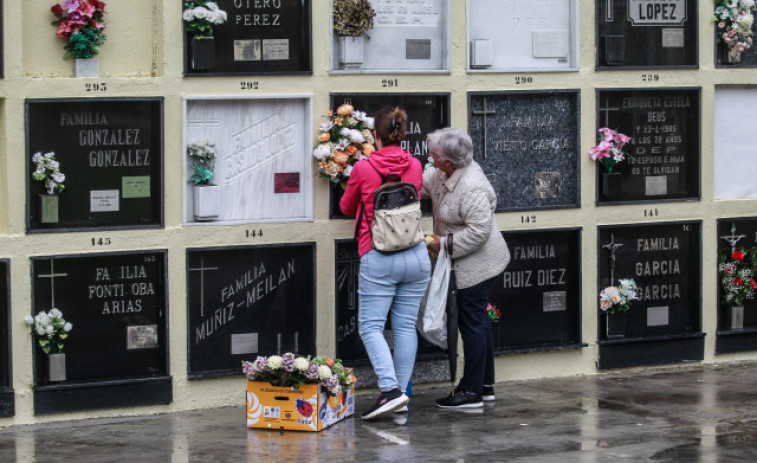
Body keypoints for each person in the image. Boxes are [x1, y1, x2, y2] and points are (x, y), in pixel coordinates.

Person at [340, 106, 431, 420]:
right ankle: (402, 394)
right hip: (417, 255)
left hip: (380, 256)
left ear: (374, 136)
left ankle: (390, 390)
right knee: (405, 326)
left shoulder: (364, 168)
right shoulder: (416, 165)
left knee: (370, 327)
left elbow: (346, 206)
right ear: (402, 134)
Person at [422, 127, 510, 409]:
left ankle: (470, 392)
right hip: (468, 261)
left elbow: (479, 232)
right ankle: (484, 386)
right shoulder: (445, 173)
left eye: (434, 154)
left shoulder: (470, 184)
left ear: (449, 161)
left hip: (478, 264)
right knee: (478, 321)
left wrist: (443, 242)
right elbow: (424, 181)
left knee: (470, 323)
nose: (430, 158)